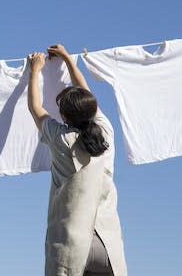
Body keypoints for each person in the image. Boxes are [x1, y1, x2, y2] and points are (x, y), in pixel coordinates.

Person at [26, 44, 127, 276]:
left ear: (63, 116)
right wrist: (68, 59)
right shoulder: (105, 131)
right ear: (92, 109)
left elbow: (35, 107)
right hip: (106, 244)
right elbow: (84, 89)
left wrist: (35, 70)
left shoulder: (60, 137)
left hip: (73, 245)